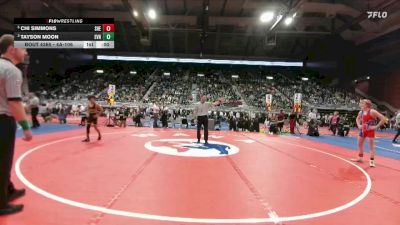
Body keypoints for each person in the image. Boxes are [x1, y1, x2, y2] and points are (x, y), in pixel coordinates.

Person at [0, 34, 32, 215]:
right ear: (12, 49)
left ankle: (8, 189)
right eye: (23, 48)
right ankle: (1, 203)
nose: (26, 52)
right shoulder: (12, 70)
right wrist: (26, 128)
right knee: (3, 162)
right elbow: (14, 102)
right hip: (3, 120)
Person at [353, 99, 387, 167]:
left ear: (367, 105)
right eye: (360, 103)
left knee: (371, 147)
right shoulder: (361, 112)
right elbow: (357, 119)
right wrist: (359, 125)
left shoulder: (372, 111)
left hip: (370, 130)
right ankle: (360, 158)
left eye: (362, 103)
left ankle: (372, 161)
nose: (360, 104)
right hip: (363, 130)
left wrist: (376, 127)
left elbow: (383, 118)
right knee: (359, 144)